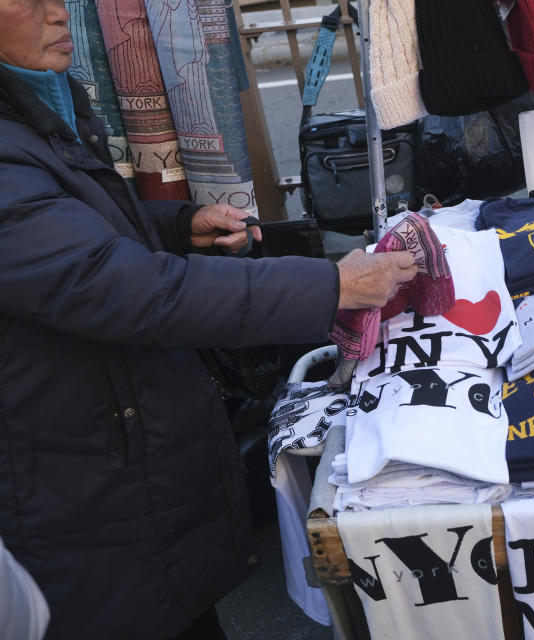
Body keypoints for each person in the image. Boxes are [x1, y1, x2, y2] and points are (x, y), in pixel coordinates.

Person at [0, 0, 417, 637]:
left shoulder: (41, 103)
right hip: (68, 466)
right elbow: (119, 290)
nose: (59, 13)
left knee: (174, 603)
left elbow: (80, 239)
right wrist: (330, 284)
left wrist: (172, 227)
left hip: (107, 439)